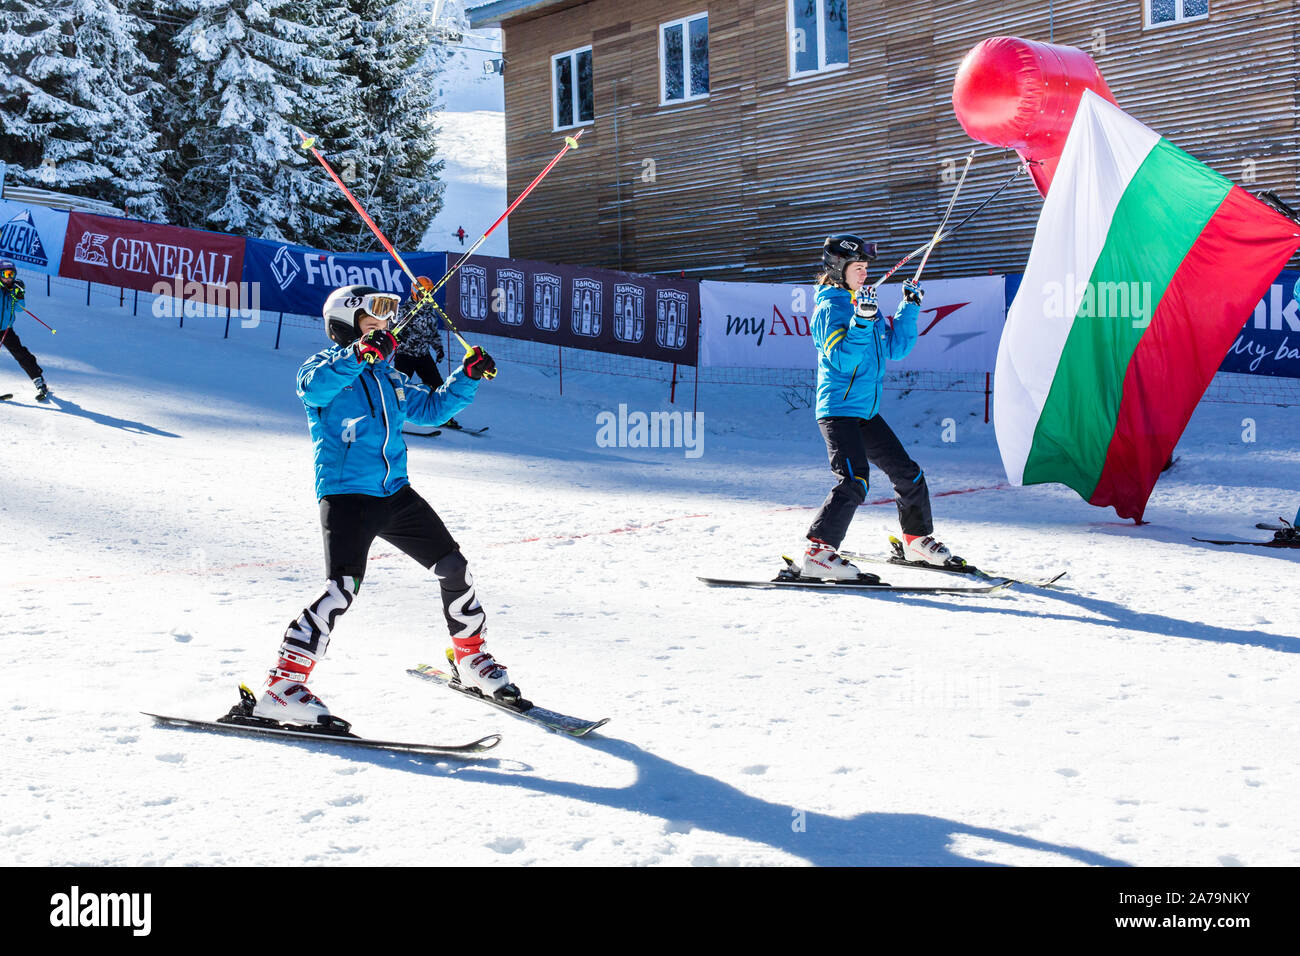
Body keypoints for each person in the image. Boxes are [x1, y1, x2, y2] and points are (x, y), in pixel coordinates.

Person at [253, 280, 510, 726]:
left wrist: (466, 377)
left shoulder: (388, 376)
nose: (384, 330)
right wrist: (357, 356)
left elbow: (430, 411)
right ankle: (282, 686)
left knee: (454, 567)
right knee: (342, 589)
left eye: (385, 325)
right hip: (348, 495)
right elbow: (313, 390)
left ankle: (470, 659)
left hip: (395, 493)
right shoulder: (322, 368)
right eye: (372, 325)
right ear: (345, 326)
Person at [799, 235, 953, 579]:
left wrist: (908, 307)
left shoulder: (863, 303)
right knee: (854, 479)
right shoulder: (830, 309)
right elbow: (842, 359)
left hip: (865, 411)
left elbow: (896, 348)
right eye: (858, 267)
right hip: (838, 410)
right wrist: (861, 321)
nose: (865, 273)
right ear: (838, 269)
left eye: (866, 267)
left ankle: (915, 539)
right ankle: (818, 552)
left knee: (908, 473)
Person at [392, 276, 459, 430]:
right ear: (415, 292)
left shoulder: (430, 313)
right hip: (405, 355)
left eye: (429, 293)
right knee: (398, 387)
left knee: (438, 385)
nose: (427, 297)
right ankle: (393, 417)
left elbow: (433, 334)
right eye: (423, 293)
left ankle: (445, 417)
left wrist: (438, 349)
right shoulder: (404, 310)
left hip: (423, 355)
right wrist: (397, 335)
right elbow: (391, 329)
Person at [0, 259, 49, 402]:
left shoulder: (13, 289)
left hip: (6, 330)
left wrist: (19, 295)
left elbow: (19, 309)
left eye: (11, 274)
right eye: (5, 274)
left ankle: (38, 380)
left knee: (22, 354)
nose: (8, 278)